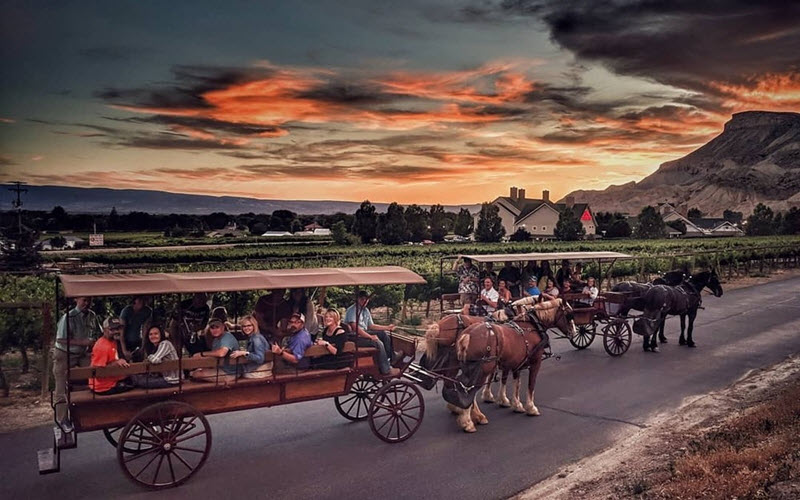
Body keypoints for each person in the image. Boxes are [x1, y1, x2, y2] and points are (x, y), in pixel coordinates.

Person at [53, 296, 101, 428]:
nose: (87, 303)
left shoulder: (92, 315)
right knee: (61, 386)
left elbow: (98, 333)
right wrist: (82, 342)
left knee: (97, 371)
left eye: (89, 300)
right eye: (84, 300)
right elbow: (61, 339)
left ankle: (90, 408)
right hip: (65, 353)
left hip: (82, 353)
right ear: (76, 300)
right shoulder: (68, 317)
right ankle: (63, 420)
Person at [345, 291, 399, 375]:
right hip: (354, 337)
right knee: (378, 343)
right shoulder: (353, 310)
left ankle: (391, 358)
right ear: (358, 299)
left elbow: (371, 326)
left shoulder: (365, 310)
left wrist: (387, 328)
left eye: (366, 300)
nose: (365, 301)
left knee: (384, 335)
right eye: (362, 299)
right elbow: (355, 328)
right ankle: (386, 369)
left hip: (362, 333)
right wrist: (370, 337)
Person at [89, 318, 134, 396]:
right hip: (103, 387)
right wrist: (116, 363)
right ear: (104, 330)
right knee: (137, 384)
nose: (116, 331)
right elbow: (98, 371)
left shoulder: (113, 341)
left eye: (118, 328)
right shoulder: (102, 346)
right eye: (112, 329)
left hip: (111, 381)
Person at [191, 318, 240, 383]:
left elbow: (221, 353)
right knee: (195, 371)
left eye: (217, 327)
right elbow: (215, 356)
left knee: (196, 374)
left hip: (231, 373)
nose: (215, 330)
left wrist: (202, 354)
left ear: (223, 327)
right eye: (212, 328)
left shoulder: (227, 337)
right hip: (221, 368)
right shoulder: (215, 340)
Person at [119, 296, 152, 362]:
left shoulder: (147, 311)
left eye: (143, 300)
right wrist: (124, 350)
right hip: (126, 340)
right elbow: (121, 331)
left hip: (138, 340)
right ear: (134, 301)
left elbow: (145, 328)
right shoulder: (126, 311)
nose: (141, 303)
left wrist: (143, 346)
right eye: (139, 300)